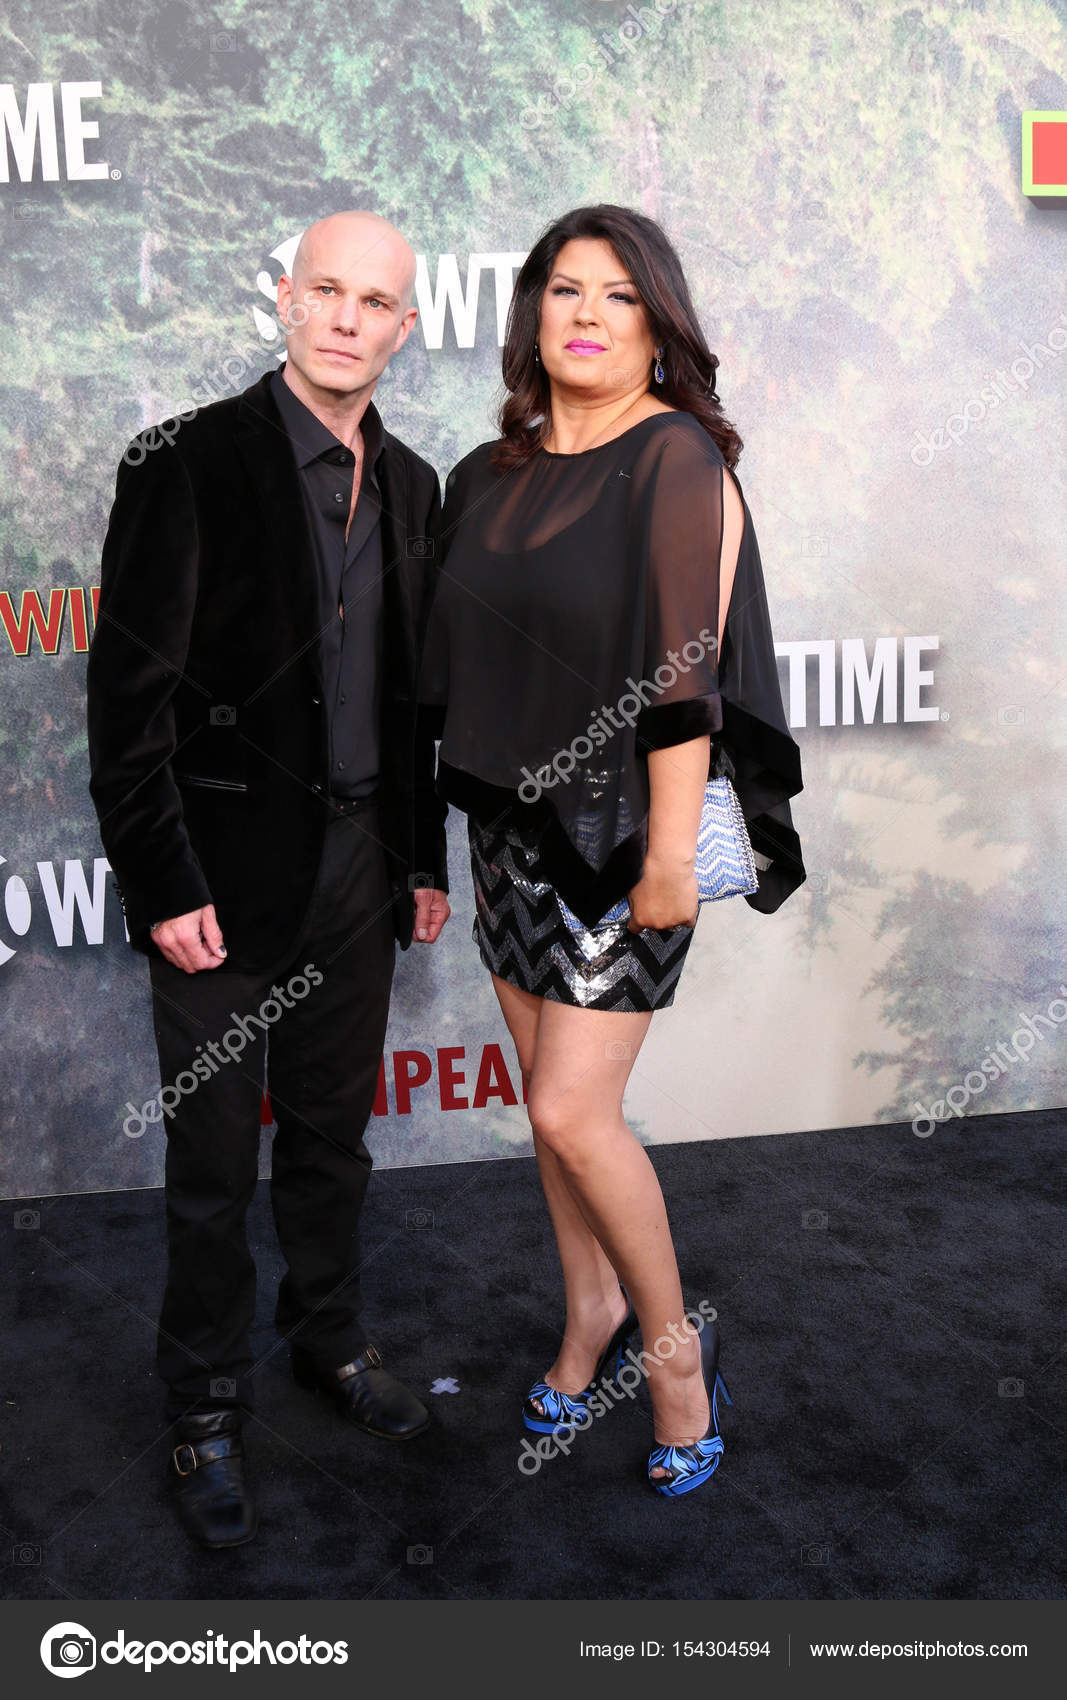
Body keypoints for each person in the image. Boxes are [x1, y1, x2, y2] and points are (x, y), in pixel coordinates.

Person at [418, 203, 804, 1497]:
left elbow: (685, 676)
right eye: (565, 289)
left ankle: (675, 1354)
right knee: (550, 1117)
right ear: (534, 312)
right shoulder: (488, 474)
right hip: (510, 835)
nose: (587, 314)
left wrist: (668, 861)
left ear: (658, 326)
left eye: (619, 296)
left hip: (632, 837)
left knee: (574, 1111)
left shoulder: (675, 459)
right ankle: (586, 1315)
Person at [86, 210, 452, 1548]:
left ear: (408, 327)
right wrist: (163, 881)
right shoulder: (183, 463)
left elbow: (417, 703)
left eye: (378, 301)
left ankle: (328, 1345)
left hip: (362, 867)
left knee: (331, 1140)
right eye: (328, 291)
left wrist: (421, 860)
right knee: (204, 1165)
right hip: (220, 884)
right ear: (287, 300)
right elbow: (128, 708)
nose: (349, 317)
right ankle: (201, 1409)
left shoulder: (415, 487)